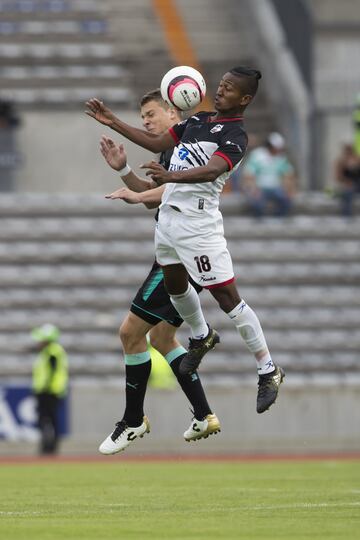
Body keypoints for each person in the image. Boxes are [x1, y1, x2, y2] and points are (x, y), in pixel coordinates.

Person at [86, 66, 285, 426]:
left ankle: (268, 369)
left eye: (229, 89)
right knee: (175, 284)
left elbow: (212, 171)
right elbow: (158, 144)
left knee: (228, 299)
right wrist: (112, 121)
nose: (221, 91)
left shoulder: (236, 135)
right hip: (170, 225)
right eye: (220, 85)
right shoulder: (199, 121)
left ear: (245, 99)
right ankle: (202, 335)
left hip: (198, 226)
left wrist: (171, 176)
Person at [95, 90, 220, 455]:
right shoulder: (170, 152)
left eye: (150, 114)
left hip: (181, 255)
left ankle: (133, 421)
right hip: (186, 251)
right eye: (143, 116)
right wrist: (123, 171)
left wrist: (141, 196)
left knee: (130, 333)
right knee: (163, 339)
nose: (146, 122)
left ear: (171, 111)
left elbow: (162, 194)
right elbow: (153, 190)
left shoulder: (188, 147)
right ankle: (204, 414)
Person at [31, 324, 68, 455]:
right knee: (50, 420)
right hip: (51, 391)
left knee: (47, 419)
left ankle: (49, 447)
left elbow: (51, 373)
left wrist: (45, 387)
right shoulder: (52, 351)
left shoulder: (52, 352)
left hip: (49, 392)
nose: (38, 342)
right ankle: (50, 447)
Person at [242, 132, 296, 217]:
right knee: (257, 204)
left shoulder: (281, 157)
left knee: (286, 201)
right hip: (259, 188)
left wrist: (289, 190)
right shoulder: (257, 155)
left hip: (276, 187)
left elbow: (288, 174)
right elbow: (249, 174)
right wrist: (253, 189)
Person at [334, 142, 360, 217]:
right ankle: (347, 215)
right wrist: (346, 181)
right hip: (347, 185)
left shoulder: (357, 160)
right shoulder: (341, 162)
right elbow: (338, 177)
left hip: (357, 184)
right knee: (347, 194)